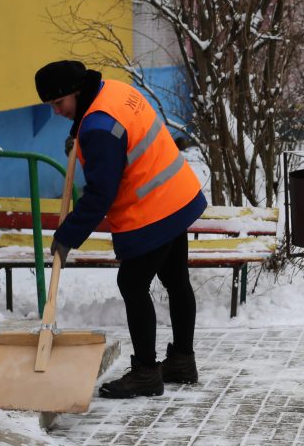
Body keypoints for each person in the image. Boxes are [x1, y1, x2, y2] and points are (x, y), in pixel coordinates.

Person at [35, 59, 208, 399]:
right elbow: (117, 134)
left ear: (76, 92)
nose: (56, 111)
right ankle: (182, 362)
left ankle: (146, 372)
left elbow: (100, 193)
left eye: (59, 103)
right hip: (177, 193)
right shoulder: (114, 90)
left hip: (153, 208)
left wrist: (67, 236)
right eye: (51, 106)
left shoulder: (97, 126)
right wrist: (79, 136)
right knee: (176, 279)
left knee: (131, 282)